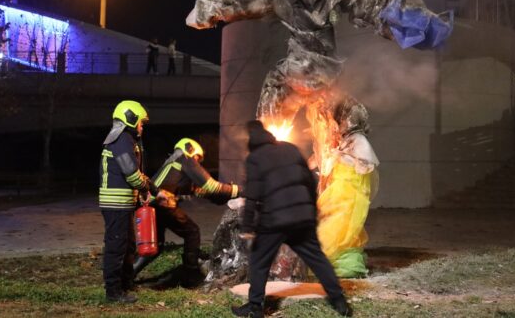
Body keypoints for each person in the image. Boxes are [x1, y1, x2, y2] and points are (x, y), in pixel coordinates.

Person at [231, 120, 352, 318]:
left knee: (259, 261)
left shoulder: (255, 158)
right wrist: (312, 211)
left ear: (251, 139)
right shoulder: (290, 149)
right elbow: (309, 180)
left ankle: (255, 307)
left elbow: (252, 194)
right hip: (302, 218)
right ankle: (339, 301)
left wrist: (247, 225)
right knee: (317, 259)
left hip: (274, 220)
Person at [133, 137, 241, 287]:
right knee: (192, 231)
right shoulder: (185, 159)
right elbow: (211, 186)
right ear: (191, 150)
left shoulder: (173, 163)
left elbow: (196, 190)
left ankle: (126, 276)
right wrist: (237, 190)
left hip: (153, 205)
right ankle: (191, 275)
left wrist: (222, 194)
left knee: (156, 246)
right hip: (162, 204)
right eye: (197, 158)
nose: (197, 162)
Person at [99, 100, 151, 303]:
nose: (142, 127)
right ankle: (113, 293)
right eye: (141, 122)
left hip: (123, 204)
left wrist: (147, 188)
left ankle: (126, 284)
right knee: (116, 247)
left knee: (128, 246)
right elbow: (131, 173)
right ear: (131, 119)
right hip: (116, 204)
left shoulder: (124, 139)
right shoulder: (121, 140)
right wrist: (145, 187)